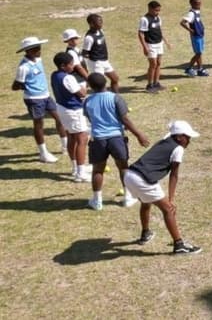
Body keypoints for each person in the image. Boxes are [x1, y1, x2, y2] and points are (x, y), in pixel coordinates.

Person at [123, 120, 203, 254]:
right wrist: (171, 199)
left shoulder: (164, 141)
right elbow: (174, 175)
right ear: (178, 137)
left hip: (129, 175)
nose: (189, 140)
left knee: (146, 202)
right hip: (143, 180)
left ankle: (145, 233)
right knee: (168, 210)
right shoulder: (178, 148)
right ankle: (179, 245)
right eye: (187, 137)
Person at [83, 72, 149, 210]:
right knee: (123, 167)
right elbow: (125, 119)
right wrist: (139, 135)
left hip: (98, 140)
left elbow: (90, 118)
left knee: (97, 171)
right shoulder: (116, 98)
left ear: (90, 86)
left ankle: (97, 201)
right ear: (106, 83)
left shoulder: (87, 101)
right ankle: (127, 198)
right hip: (116, 138)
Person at [12, 37, 67, 163]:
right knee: (39, 124)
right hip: (33, 99)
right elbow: (15, 86)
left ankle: (65, 145)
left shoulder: (38, 59)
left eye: (39, 47)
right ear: (28, 51)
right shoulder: (23, 67)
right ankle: (43, 153)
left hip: (46, 96)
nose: (39, 50)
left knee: (60, 118)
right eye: (36, 48)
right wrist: (26, 86)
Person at [51, 52, 91, 182]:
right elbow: (81, 94)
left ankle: (75, 167)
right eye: (71, 64)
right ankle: (80, 173)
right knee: (82, 139)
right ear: (63, 66)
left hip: (62, 109)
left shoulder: (54, 75)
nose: (73, 66)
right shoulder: (68, 78)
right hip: (73, 111)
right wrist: (84, 86)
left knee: (72, 137)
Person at [138, 0, 170, 93]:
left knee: (159, 63)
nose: (157, 12)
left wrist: (166, 41)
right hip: (151, 44)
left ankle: (157, 83)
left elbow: (159, 30)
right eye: (156, 10)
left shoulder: (158, 18)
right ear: (150, 9)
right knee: (153, 64)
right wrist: (145, 47)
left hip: (159, 43)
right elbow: (140, 34)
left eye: (159, 10)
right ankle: (149, 85)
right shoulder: (144, 19)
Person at [82, 13, 119, 92]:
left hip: (105, 61)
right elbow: (84, 53)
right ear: (91, 24)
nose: (101, 23)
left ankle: (116, 97)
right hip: (96, 63)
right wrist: (93, 60)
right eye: (99, 22)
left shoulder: (100, 31)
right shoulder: (89, 38)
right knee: (100, 85)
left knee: (115, 78)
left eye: (101, 21)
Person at [179, 0, 210, 76]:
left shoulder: (197, 11)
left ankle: (200, 69)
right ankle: (189, 68)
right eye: (197, 4)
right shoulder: (191, 14)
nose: (199, 5)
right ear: (192, 4)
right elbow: (182, 22)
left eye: (200, 3)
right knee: (198, 53)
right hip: (196, 36)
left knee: (199, 53)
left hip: (200, 35)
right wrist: (190, 30)